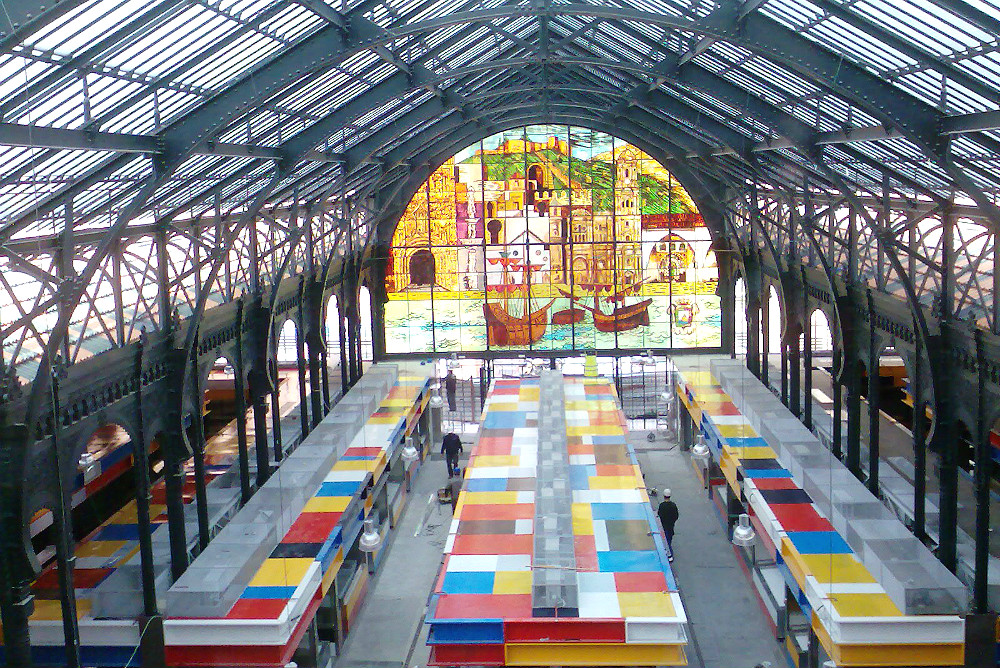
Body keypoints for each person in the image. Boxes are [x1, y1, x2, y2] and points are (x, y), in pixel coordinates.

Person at [658, 489, 679, 562]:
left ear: (664, 496)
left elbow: (659, 515)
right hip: (670, 525)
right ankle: (669, 554)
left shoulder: (662, 505)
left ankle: (669, 555)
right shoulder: (673, 505)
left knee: (665, 540)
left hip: (664, 526)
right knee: (669, 539)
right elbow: (676, 516)